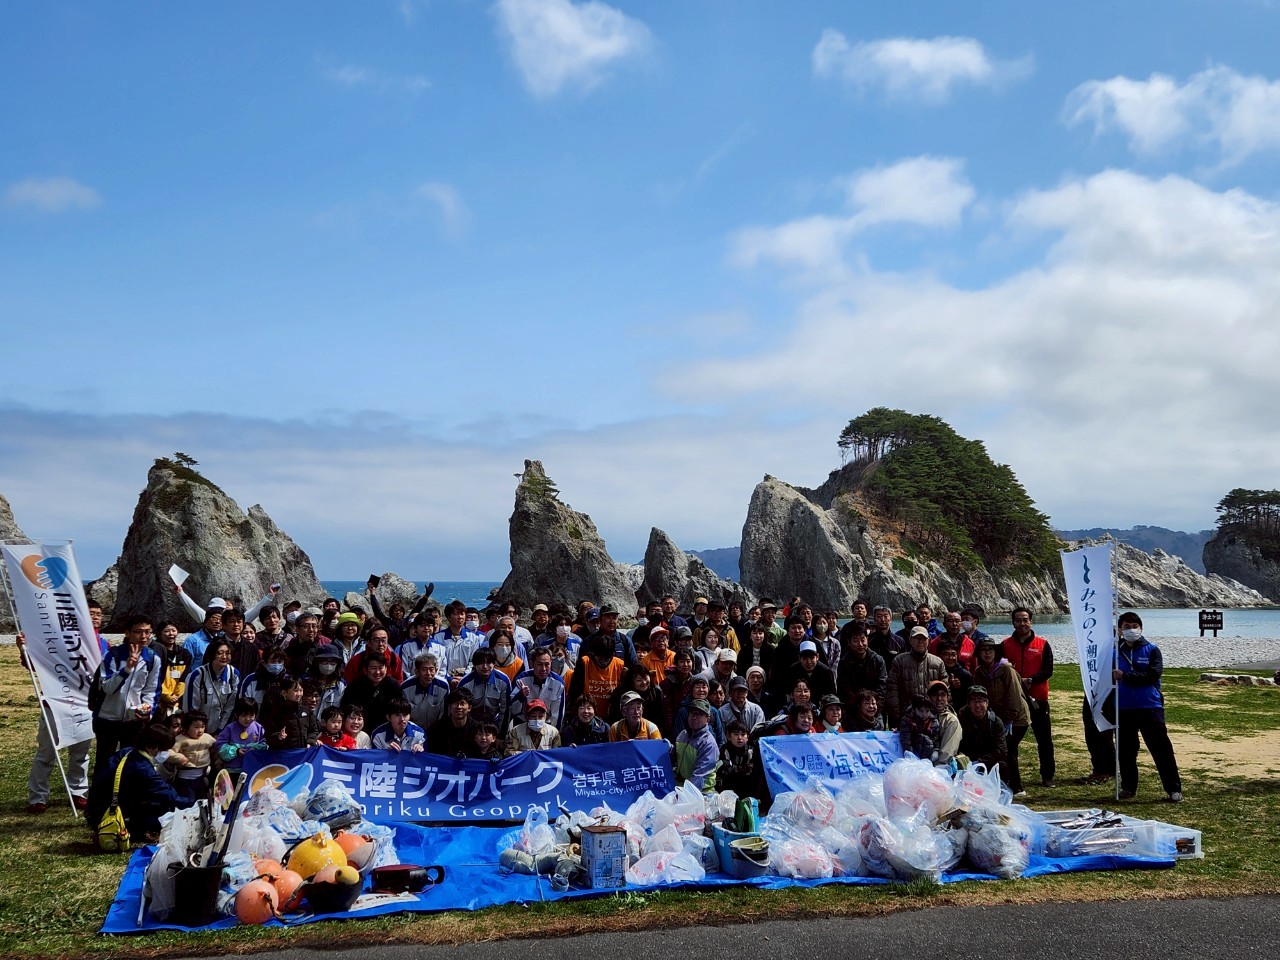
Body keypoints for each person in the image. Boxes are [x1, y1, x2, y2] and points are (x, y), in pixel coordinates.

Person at [1114, 612, 1183, 802]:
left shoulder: (1152, 650)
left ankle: (1173, 789)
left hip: (1150, 707)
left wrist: (1126, 676)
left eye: (1134, 626)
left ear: (1141, 628)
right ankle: (1128, 787)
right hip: (1124, 707)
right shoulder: (1115, 651)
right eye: (1127, 627)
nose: (1131, 630)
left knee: (1161, 749)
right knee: (1126, 751)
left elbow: (1153, 676)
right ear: (1120, 629)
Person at [86, 724, 195, 843]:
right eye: (164, 750)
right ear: (151, 747)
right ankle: (136, 832)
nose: (166, 753)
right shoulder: (143, 769)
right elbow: (168, 795)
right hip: (110, 817)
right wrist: (194, 804)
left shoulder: (126, 752)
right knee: (167, 813)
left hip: (96, 810)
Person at [92, 613, 162, 776]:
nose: (143, 636)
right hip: (107, 718)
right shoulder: (113, 655)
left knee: (130, 761)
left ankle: (126, 799)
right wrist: (127, 669)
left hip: (133, 719)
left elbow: (152, 690)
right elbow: (107, 687)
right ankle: (100, 799)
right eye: (138, 631)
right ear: (127, 633)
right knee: (105, 761)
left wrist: (147, 710)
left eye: (147, 632)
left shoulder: (152, 658)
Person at [1003, 607, 1056, 788]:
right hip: (1015, 700)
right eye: (1018, 620)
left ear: (1031, 622)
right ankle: (1010, 775)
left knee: (1044, 739)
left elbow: (1048, 670)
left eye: (1025, 620)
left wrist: (1031, 680)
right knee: (1011, 740)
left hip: (1038, 698)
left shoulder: (1043, 644)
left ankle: (1047, 776)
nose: (1022, 623)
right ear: (1013, 622)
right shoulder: (1005, 644)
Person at [972, 636, 1031, 796]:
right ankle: (1004, 782)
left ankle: (1017, 787)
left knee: (1009, 750)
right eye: (983, 650)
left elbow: (1014, 696)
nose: (987, 653)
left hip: (1016, 718)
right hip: (997, 718)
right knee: (1003, 750)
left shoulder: (1006, 669)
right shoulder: (980, 671)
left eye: (990, 650)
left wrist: (1009, 719)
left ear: (996, 652)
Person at [885, 626, 947, 728]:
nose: (920, 642)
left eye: (923, 639)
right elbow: (892, 688)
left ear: (929, 640)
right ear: (910, 640)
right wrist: (895, 713)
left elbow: (945, 688)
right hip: (906, 714)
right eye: (917, 638)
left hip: (931, 715)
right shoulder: (899, 661)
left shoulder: (938, 662)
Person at [182, 639, 241, 736]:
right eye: (220, 653)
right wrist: (199, 730)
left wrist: (221, 731)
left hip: (220, 729)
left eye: (228, 653)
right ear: (211, 654)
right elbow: (191, 708)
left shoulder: (234, 675)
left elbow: (230, 706)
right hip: (196, 730)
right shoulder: (197, 676)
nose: (224, 657)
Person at [340, 653, 404, 730]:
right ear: (366, 670)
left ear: (386, 669)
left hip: (387, 730)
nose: (377, 672)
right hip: (359, 729)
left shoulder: (394, 686)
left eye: (380, 668)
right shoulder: (355, 686)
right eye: (373, 668)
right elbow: (345, 709)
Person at [457, 647, 513, 733]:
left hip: (495, 723)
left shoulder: (503, 681)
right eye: (481, 663)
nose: (485, 667)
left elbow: (505, 710)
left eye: (488, 662)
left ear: (494, 664)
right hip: (470, 724)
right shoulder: (465, 683)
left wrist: (500, 734)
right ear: (474, 665)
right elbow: (461, 710)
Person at [149, 621, 193, 723]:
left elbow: (185, 677)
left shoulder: (184, 653)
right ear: (159, 633)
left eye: (173, 630)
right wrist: (165, 695)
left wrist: (177, 696)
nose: (171, 634)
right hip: (158, 699)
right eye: (167, 631)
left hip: (177, 701)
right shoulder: (153, 652)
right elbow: (154, 677)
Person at [167, 710, 215, 800]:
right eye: (196, 727)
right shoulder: (180, 739)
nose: (200, 730)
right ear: (186, 727)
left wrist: (218, 759)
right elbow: (169, 752)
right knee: (188, 802)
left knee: (201, 800)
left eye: (203, 727)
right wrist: (179, 757)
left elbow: (217, 746)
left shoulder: (207, 737)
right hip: (185, 778)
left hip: (201, 777)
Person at [673, 699, 719, 793]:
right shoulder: (683, 735)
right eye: (692, 713)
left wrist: (686, 795)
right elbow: (674, 760)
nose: (694, 717)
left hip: (702, 792)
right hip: (680, 787)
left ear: (707, 720)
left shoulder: (708, 743)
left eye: (699, 714)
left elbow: (699, 777)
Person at [958, 685, 1007, 772]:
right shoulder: (961, 719)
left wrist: (980, 762)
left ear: (987, 703)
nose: (977, 705)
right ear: (968, 704)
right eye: (973, 701)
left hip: (987, 762)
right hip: (966, 762)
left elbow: (1001, 750)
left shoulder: (995, 722)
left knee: (1002, 766)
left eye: (980, 701)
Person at [260, 675, 318, 749]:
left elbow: (313, 730)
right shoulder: (276, 712)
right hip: (284, 755)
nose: (299, 694)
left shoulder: (306, 710)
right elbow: (268, 735)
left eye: (301, 690)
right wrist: (278, 736)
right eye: (295, 691)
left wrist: (310, 742)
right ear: (284, 693)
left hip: (303, 753)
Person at [836, 625, 888, 708]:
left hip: (874, 706)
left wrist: (873, 704)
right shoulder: (844, 662)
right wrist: (858, 705)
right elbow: (844, 688)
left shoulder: (878, 660)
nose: (860, 644)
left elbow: (882, 686)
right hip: (853, 707)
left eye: (863, 640)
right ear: (849, 642)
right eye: (856, 641)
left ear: (867, 640)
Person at [401, 652, 451, 732]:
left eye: (431, 669)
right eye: (424, 669)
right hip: (412, 731)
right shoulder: (406, 687)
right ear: (416, 672)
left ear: (436, 670)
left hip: (437, 730)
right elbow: (402, 713)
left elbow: (446, 713)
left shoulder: (443, 686)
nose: (428, 674)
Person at [214, 697, 265, 771]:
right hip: (233, 770)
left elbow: (264, 744)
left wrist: (256, 749)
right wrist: (236, 751)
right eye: (244, 715)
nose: (247, 719)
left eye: (251, 715)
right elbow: (220, 745)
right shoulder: (230, 728)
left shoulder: (258, 728)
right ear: (236, 715)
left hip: (252, 769)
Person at [718, 719, 763, 800]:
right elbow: (725, 770)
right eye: (735, 734)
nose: (739, 738)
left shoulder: (751, 750)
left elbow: (754, 770)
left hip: (747, 788)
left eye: (743, 734)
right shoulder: (724, 749)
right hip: (729, 788)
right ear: (728, 736)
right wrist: (741, 771)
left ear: (747, 737)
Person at [427, 690, 480, 758]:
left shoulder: (477, 729)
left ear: (469, 708)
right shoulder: (436, 728)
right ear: (449, 707)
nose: (459, 707)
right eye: (455, 703)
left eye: (462, 703)